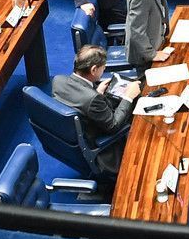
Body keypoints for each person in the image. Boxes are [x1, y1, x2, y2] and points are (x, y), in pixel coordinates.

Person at [51, 45, 142, 180]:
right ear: (94, 69)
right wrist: (129, 97)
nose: (104, 70)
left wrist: (96, 92)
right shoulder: (92, 99)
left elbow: (78, 99)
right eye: (103, 68)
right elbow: (113, 125)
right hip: (101, 146)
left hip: (70, 140)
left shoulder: (58, 80)